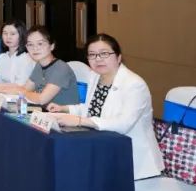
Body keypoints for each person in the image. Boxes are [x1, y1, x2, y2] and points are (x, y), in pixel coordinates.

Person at [46, 34, 164, 180]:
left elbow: (123, 124)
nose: (98, 59)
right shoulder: (95, 76)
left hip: (132, 160)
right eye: (92, 55)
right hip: (103, 147)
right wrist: (65, 109)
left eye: (104, 54)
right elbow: (92, 109)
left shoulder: (134, 84)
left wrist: (79, 121)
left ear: (118, 57)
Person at [0, 25, 80, 106]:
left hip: (63, 114)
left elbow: (41, 99)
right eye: (30, 44)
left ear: (52, 46)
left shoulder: (60, 68)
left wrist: (20, 91)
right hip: (43, 113)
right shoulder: (39, 65)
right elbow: (26, 88)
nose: (35, 48)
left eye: (40, 44)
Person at [0, 19, 36, 84]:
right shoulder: (2, 57)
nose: (8, 37)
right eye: (5, 33)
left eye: (12, 34)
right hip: (2, 90)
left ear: (21, 35)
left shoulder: (26, 58)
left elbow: (20, 85)